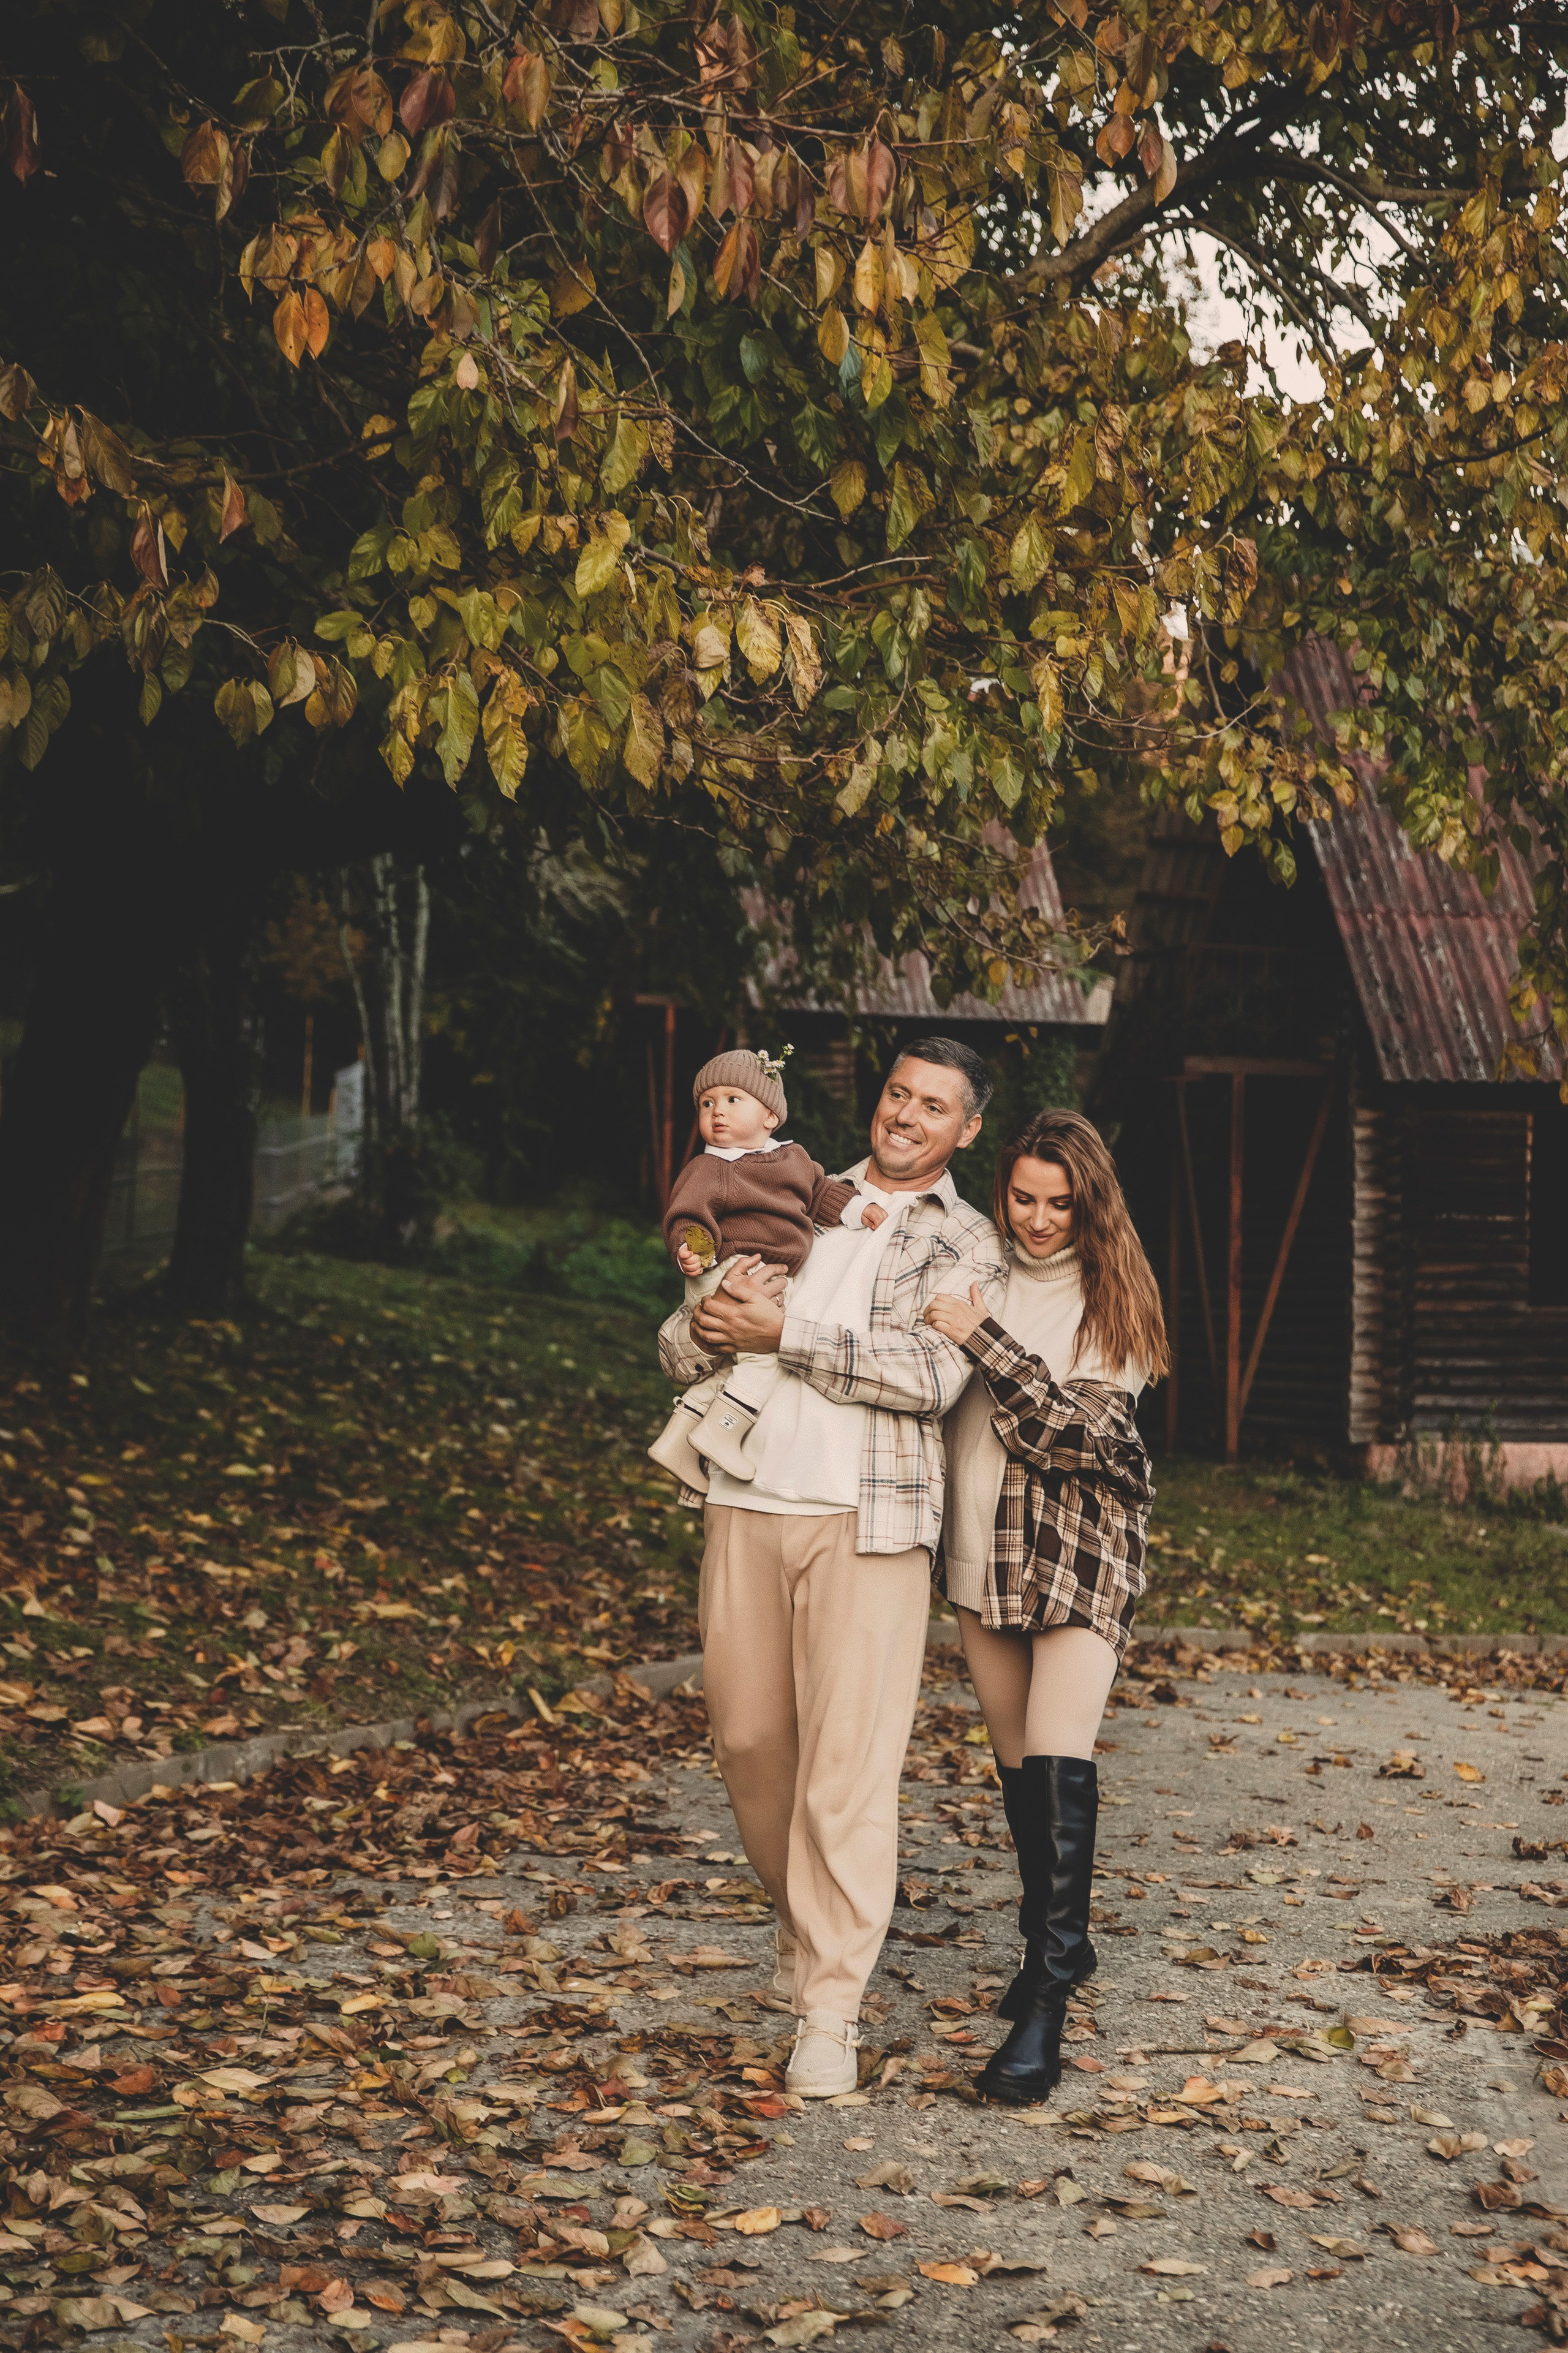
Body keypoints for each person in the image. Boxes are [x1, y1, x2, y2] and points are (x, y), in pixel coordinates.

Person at [658, 1040, 1007, 2096]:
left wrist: (789, 1330)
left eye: (934, 1105)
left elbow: (932, 1375)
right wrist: (711, 1323)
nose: (906, 1115)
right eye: (899, 1094)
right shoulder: (789, 1183)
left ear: (966, 1128)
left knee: (846, 1773)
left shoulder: (966, 1241)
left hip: (871, 1519)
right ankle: (801, 1921)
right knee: (749, 1743)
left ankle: (832, 2007)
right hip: (745, 1495)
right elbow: (680, 1341)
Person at [924, 1108, 1167, 2106]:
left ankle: (1047, 2008)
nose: (1036, 1219)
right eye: (1023, 1197)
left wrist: (980, 1336)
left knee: (1061, 1759)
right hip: (981, 1551)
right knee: (1021, 1770)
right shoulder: (972, 1268)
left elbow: (1072, 1434)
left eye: (1059, 1203)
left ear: (1090, 1204)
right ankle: (1048, 1944)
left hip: (1081, 1550)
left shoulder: (1116, 1297)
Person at [649, 1047, 884, 1486]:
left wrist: (857, 1208)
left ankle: (678, 1438)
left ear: (771, 1116)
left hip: (760, 1271)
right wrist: (693, 1248)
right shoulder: (712, 1166)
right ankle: (723, 1431)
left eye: (732, 1099)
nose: (717, 1112)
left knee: (733, 1364)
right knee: (768, 1354)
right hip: (730, 1269)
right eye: (707, 1103)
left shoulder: (792, 1159)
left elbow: (820, 1193)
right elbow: (688, 1214)